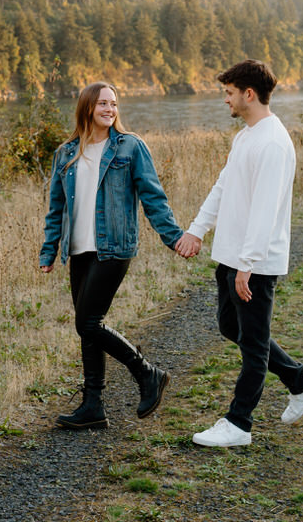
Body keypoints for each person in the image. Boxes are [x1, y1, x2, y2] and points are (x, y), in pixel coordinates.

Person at [176, 59, 303, 446]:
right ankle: (301, 381)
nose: (224, 100)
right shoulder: (245, 136)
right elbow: (224, 186)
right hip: (231, 254)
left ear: (248, 93)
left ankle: (238, 423)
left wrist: (248, 265)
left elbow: (265, 210)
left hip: (253, 263)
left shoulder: (273, 142)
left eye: (229, 93)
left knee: (254, 345)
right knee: (232, 327)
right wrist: (197, 230)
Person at [40, 82, 186, 430]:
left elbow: (153, 196)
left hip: (114, 247)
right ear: (87, 107)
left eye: (114, 103)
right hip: (79, 250)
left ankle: (147, 373)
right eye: (103, 103)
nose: (110, 109)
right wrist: (50, 248)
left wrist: (174, 237)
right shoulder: (66, 153)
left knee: (88, 322)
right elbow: (55, 208)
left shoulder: (129, 147)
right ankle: (93, 406)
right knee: (88, 329)